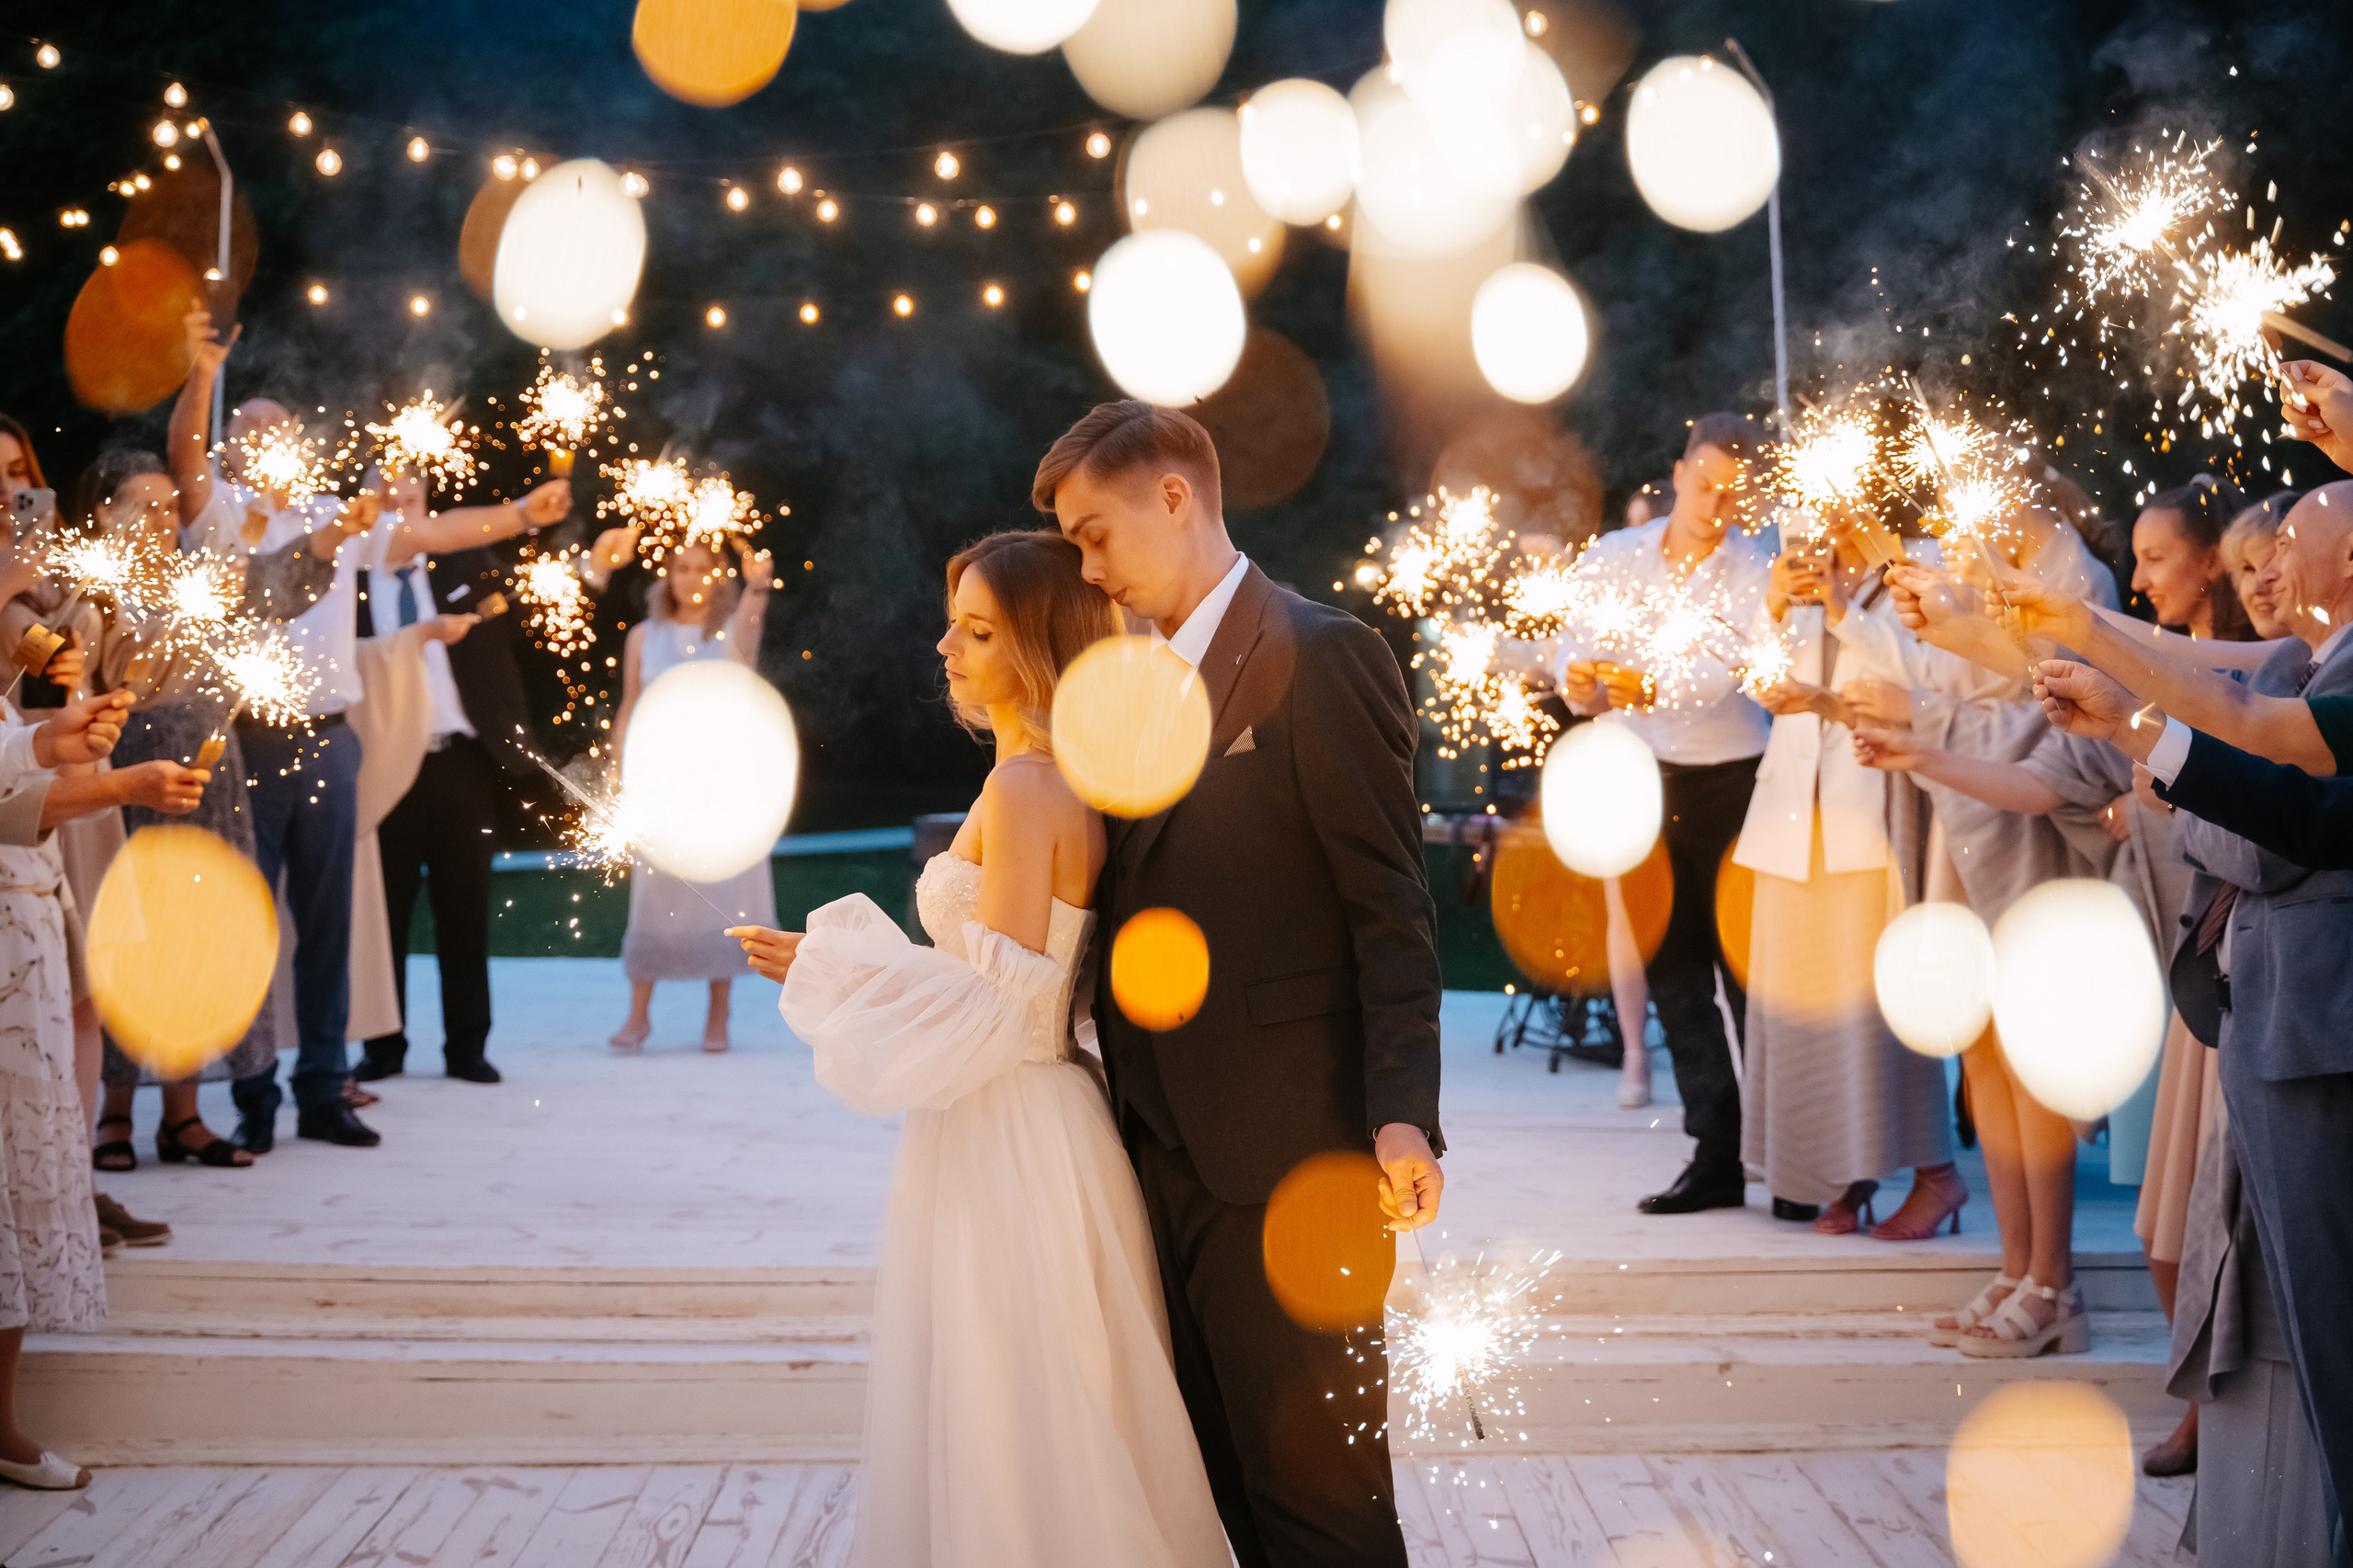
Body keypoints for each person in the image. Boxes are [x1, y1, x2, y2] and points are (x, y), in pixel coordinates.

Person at [730, 528, 1227, 1568]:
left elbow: (992, 1002)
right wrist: (835, 961)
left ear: (1039, 645)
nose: (945, 648)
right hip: (1034, 1114)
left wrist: (831, 966)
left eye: (977, 629)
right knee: (1031, 1392)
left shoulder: (1026, 787)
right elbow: (1007, 979)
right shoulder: (1049, 778)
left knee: (1012, 1394)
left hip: (1010, 1122)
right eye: (953, 623)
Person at [1029, 401, 1442, 1566]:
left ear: (1175, 496)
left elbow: (1390, 907)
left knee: (1324, 1501)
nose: (1089, 566)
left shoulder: (1323, 652)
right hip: (1155, 1149)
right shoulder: (1121, 686)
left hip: (1296, 1159)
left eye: (1096, 532)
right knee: (1219, 1487)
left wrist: (1402, 1111)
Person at [167, 315, 568, 1149]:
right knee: (250, 922)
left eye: (283, 433)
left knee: (329, 926)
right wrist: (203, 373)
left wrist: (520, 514)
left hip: (330, 738)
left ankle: (323, 1087)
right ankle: (254, 1099)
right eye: (253, 433)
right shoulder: (222, 518)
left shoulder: (335, 519)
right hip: (251, 744)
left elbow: (431, 533)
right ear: (234, 450)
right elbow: (182, 460)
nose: (272, 444)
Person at [1563, 414, 1772, 1214]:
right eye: (1704, 480)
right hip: (1640, 783)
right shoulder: (1617, 558)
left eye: (1731, 491)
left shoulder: (1755, 567)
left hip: (1733, 782)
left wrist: (1656, 686)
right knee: (1676, 973)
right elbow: (1573, 646)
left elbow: (1735, 667)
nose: (1714, 501)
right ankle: (1714, 1152)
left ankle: (1782, 1154)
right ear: (1679, 470)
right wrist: (1578, 681)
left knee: (1750, 975)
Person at [0, 681, 205, 1491]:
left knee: (17, 1185)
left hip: (26, 928)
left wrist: (52, 740)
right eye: (16, 542)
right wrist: (118, 783)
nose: (28, 547)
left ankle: (3, 1422)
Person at [1734, 517, 1961, 1236]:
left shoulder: (1921, 573)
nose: (1820, 522)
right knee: (1800, 1008)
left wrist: (1843, 612)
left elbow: (1927, 687)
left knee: (1875, 1008)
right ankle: (1845, 1173)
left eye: (1836, 504)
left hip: (1872, 813)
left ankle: (1936, 1176)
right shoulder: (1800, 575)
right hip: (1789, 818)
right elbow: (1752, 679)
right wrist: (1770, 609)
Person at [355, 465, 549, 1085]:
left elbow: (538, 600)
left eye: (411, 496)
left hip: (461, 758)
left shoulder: (465, 563)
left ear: (429, 504)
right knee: (382, 908)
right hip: (383, 760)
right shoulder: (347, 582)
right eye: (386, 495)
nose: (400, 505)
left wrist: (591, 570)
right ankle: (382, 1046)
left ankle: (468, 1046)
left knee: (465, 905)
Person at [610, 538, 775, 1051]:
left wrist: (758, 585)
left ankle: (718, 1016)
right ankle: (639, 1015)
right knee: (654, 899)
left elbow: (747, 641)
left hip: (722, 784)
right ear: (667, 575)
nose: (691, 577)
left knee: (722, 900)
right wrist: (618, 771)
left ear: (718, 576)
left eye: (702, 568)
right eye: (682, 568)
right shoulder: (644, 635)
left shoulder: (731, 629)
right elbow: (630, 705)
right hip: (660, 784)